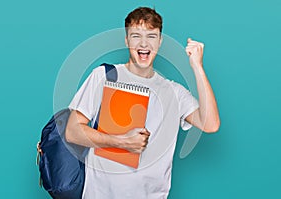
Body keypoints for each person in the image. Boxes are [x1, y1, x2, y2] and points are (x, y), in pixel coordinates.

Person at [65, 6, 220, 199]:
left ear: (160, 41)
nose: (144, 43)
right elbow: (72, 131)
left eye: (151, 36)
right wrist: (121, 141)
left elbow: (211, 124)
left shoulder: (174, 92)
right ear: (126, 40)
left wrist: (197, 66)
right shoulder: (104, 77)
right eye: (136, 36)